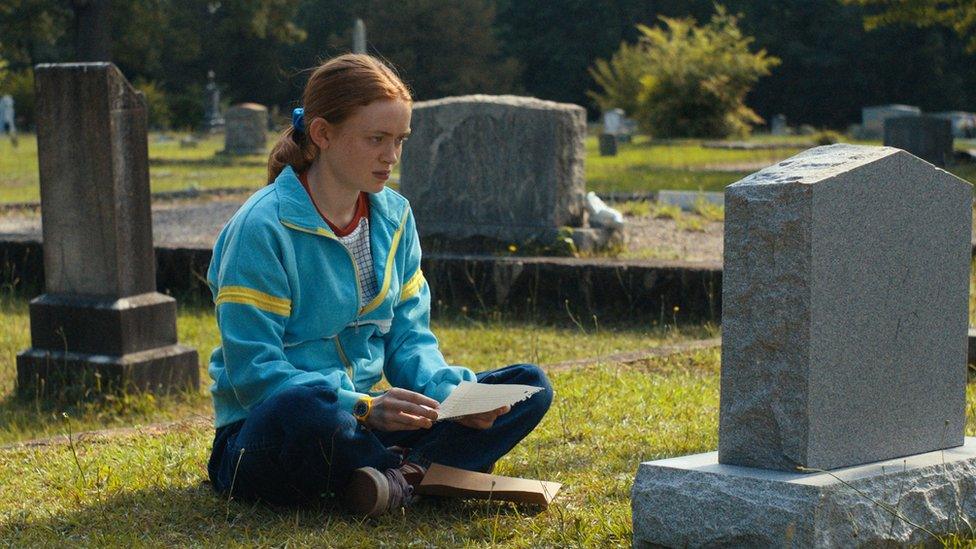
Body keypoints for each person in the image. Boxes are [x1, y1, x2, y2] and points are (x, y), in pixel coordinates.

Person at [206, 54, 553, 517]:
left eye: (400, 141)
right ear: (323, 134)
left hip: (366, 427)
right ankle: (423, 473)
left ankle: (390, 478)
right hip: (271, 431)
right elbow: (255, 375)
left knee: (529, 386)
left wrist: (450, 394)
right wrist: (364, 406)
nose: (391, 156)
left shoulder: (395, 216)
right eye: (376, 139)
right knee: (310, 409)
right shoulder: (261, 227)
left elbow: (409, 337)